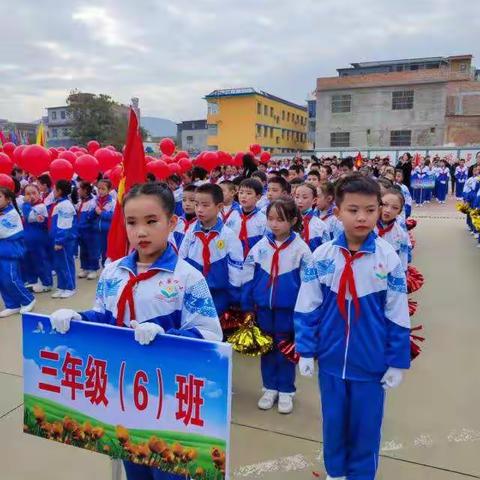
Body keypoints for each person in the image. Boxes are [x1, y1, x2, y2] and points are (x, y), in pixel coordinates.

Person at [49, 182, 222, 480]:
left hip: (167, 394)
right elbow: (104, 316)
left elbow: (210, 334)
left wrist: (166, 336)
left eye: (151, 222)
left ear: (172, 223)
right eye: (132, 222)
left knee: (169, 468)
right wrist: (78, 318)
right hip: (121, 388)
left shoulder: (187, 277)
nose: (141, 231)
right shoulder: (113, 272)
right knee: (134, 465)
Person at [294, 174, 410, 480]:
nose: (362, 217)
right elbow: (307, 306)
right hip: (331, 363)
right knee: (333, 423)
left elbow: (397, 313)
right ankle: (335, 473)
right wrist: (306, 350)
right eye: (353, 209)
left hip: (370, 365)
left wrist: (397, 361)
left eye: (370, 210)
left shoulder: (388, 259)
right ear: (337, 212)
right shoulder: (322, 256)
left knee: (366, 428)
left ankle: (361, 475)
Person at [242, 198, 311, 414]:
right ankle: (269, 388)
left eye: (280, 220)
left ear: (292, 220)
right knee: (267, 349)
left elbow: (309, 285)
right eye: (270, 219)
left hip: (287, 311)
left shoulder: (301, 249)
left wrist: (304, 312)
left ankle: (286, 391)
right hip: (263, 310)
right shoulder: (261, 246)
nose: (274, 224)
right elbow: (247, 274)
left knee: (285, 351)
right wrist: (247, 303)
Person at [179, 184, 243, 316]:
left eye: (205, 205)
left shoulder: (228, 235)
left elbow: (235, 269)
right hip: (193, 292)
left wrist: (234, 297)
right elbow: (181, 260)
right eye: (196, 205)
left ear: (219, 207)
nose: (199, 210)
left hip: (220, 294)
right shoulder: (191, 232)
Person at [0, 186, 36, 317]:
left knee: (10, 278)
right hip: (2, 250)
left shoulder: (11, 214)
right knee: (2, 280)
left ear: (8, 199)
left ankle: (28, 299)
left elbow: (3, 232)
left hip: (9, 251)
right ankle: (12, 304)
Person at [22, 184, 53, 293]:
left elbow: (29, 217)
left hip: (39, 239)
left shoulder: (41, 206)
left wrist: (25, 204)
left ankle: (46, 283)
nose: (31, 196)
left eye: (34, 193)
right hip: (27, 239)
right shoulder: (27, 206)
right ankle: (33, 281)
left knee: (41, 260)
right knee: (29, 260)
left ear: (39, 193)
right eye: (27, 194)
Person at [49, 180, 77, 299]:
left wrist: (59, 241)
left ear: (59, 191)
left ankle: (70, 287)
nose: (53, 192)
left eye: (55, 189)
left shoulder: (65, 205)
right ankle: (61, 286)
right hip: (57, 239)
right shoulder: (59, 203)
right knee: (59, 264)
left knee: (66, 263)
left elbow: (64, 225)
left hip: (65, 241)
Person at [229, 178, 266, 257]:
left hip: (253, 259)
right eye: (241, 192)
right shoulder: (233, 213)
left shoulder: (263, 218)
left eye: (249, 193)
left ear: (258, 197)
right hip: (234, 257)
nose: (243, 196)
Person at [376, 188, 410, 272]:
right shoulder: (366, 226)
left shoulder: (400, 233)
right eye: (385, 204)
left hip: (388, 273)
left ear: (399, 211)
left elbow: (402, 260)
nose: (388, 210)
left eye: (395, 208)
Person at [294, 183, 329, 252]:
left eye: (304, 197)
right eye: (297, 197)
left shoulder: (321, 226)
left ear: (314, 200)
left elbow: (325, 252)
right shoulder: (289, 223)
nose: (299, 201)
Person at [76, 181, 100, 279]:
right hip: (81, 230)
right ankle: (85, 268)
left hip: (90, 230)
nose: (78, 191)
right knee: (83, 250)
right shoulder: (80, 201)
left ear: (85, 190)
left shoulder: (93, 201)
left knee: (92, 249)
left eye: (80, 189)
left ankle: (93, 269)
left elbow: (93, 216)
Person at [94, 179, 115, 266]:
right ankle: (95, 268)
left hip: (108, 231)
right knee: (96, 251)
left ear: (109, 190)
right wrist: (93, 212)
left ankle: (107, 268)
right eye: (99, 188)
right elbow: (90, 216)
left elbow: (113, 216)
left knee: (107, 252)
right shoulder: (95, 201)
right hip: (96, 231)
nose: (100, 191)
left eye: (103, 189)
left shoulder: (112, 202)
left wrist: (101, 213)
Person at [172, 184, 197, 250]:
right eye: (184, 200)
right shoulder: (176, 222)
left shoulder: (202, 226)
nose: (187, 204)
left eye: (192, 200)